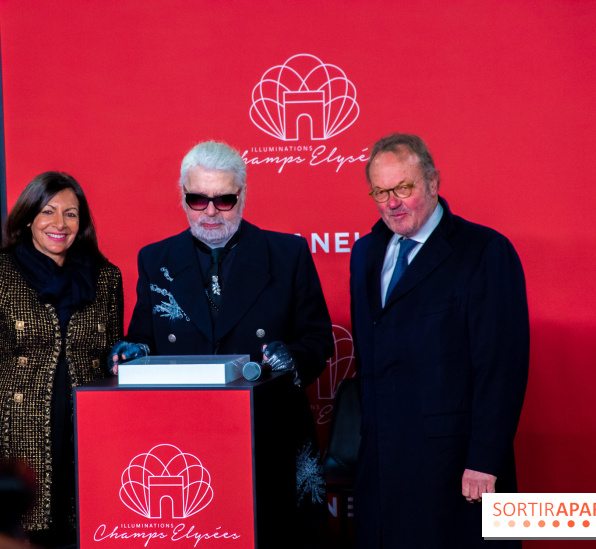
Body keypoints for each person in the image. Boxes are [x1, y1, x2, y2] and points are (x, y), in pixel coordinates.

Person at [111, 140, 334, 538]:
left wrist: (291, 357)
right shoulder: (155, 259)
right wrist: (134, 351)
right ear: (183, 198)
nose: (211, 211)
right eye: (198, 199)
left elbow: (318, 339)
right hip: (184, 439)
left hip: (270, 434)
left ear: (242, 195)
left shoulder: (288, 253)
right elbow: (144, 335)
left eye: (224, 199)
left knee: (277, 535)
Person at [350, 133, 529, 548]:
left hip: (456, 469)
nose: (391, 202)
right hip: (382, 463)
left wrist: (485, 459)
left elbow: (501, 366)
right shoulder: (365, 253)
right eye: (380, 191)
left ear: (433, 183)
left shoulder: (485, 251)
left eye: (403, 188)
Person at [0, 171, 124, 548]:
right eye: (49, 211)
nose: (60, 224)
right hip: (11, 453)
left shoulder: (107, 278)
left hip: (85, 452)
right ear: (29, 218)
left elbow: (115, 374)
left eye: (71, 214)